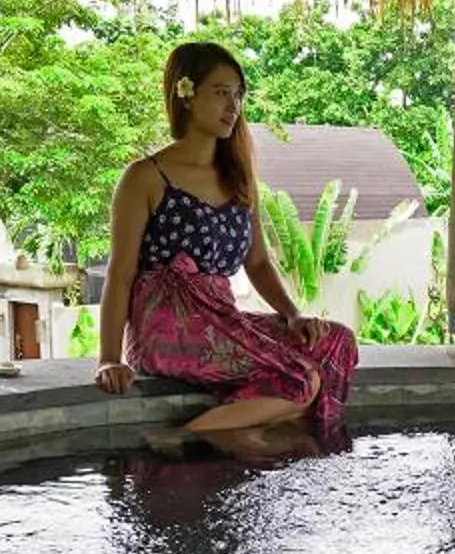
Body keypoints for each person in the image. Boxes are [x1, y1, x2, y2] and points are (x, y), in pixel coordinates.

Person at [94, 41, 359, 453]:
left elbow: (258, 262)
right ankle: (183, 438)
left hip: (220, 318)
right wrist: (109, 358)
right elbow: (120, 273)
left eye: (238, 94)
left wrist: (291, 315)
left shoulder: (238, 177)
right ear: (185, 94)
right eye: (220, 92)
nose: (232, 105)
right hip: (167, 327)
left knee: (334, 341)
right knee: (299, 378)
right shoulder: (145, 177)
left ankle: (237, 431)